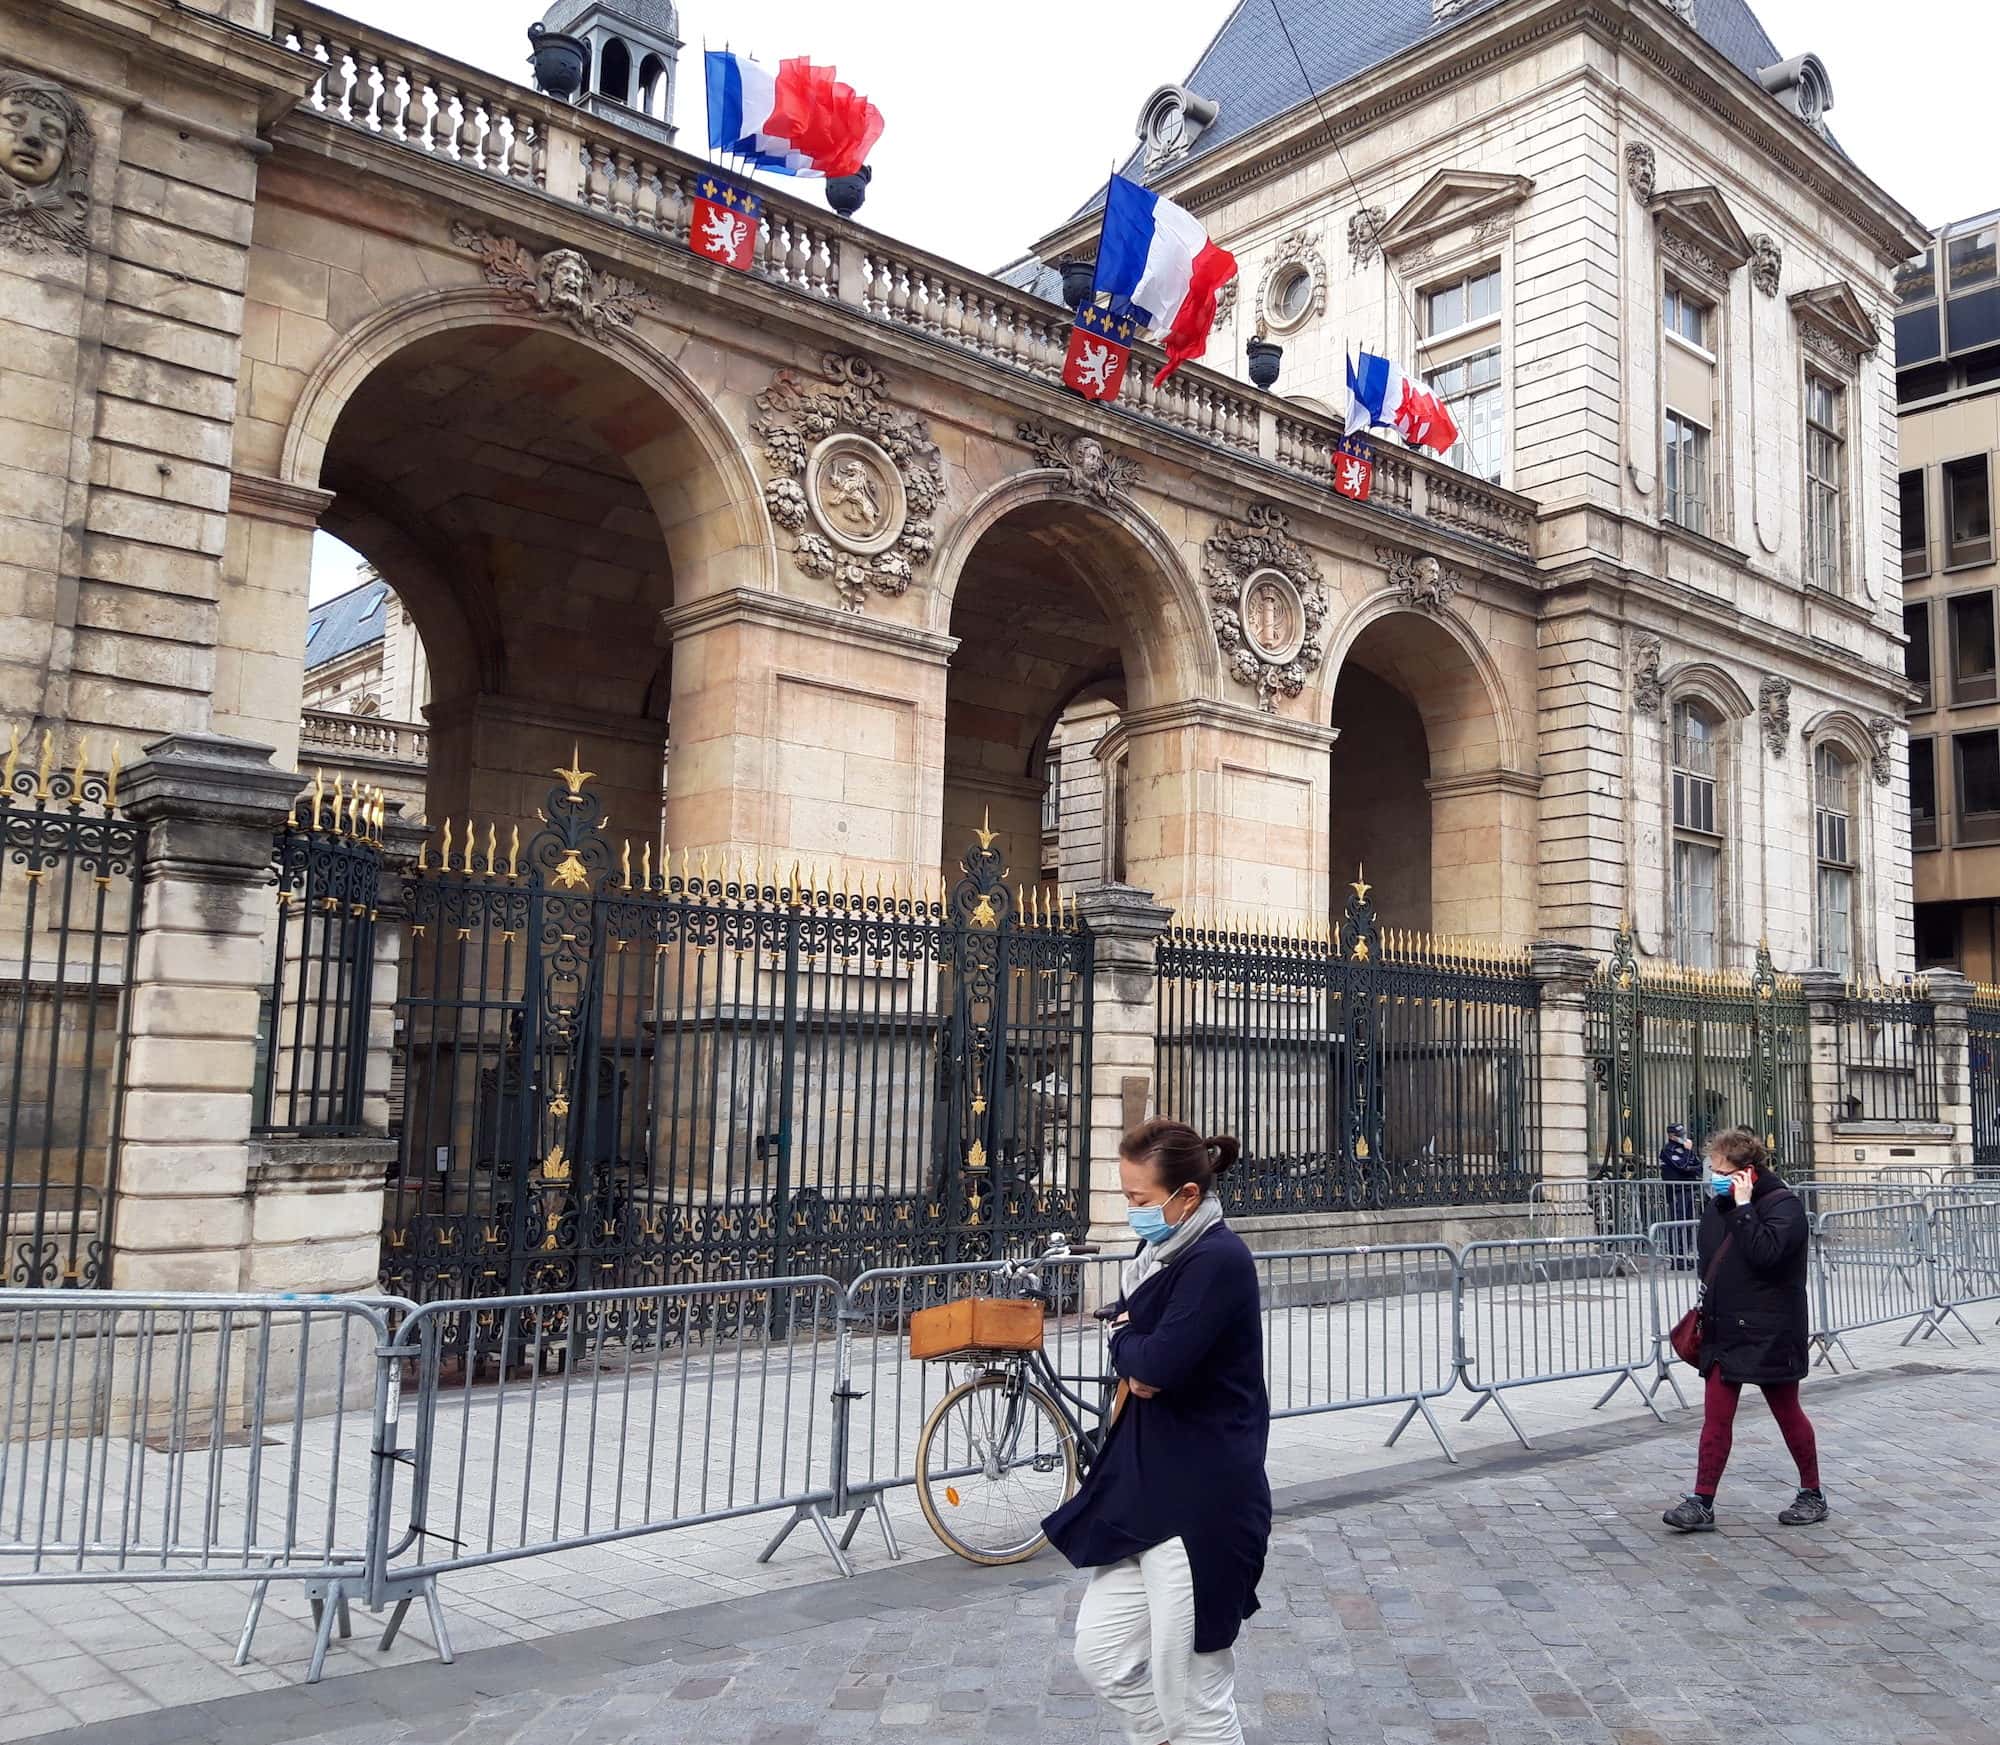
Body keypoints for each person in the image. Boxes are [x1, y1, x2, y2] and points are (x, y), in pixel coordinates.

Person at [1044, 1118, 1270, 1745]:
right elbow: (1145, 1362)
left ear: (1187, 1197)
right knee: (1103, 1654)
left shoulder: (1217, 1260)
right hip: (1144, 1497)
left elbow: (1157, 1364)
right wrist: (1138, 1348)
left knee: (1194, 1693)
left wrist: (1126, 1339)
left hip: (1201, 1506)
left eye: (1141, 1200)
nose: (1131, 1211)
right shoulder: (1157, 1258)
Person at [1661, 1127, 1827, 1533]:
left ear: (1745, 1173)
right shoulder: (1718, 1207)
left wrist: (1743, 1207)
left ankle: (1812, 1492)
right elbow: (1710, 1261)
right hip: (1724, 1328)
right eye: (1711, 1167)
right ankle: (1702, 1500)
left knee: (1787, 1412)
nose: (1712, 1175)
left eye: (1719, 1169)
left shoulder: (1783, 1208)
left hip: (1772, 1329)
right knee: (1716, 1417)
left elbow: (1766, 1254)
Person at [1657, 1122, 1702, 1267]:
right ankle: (1677, 1258)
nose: (1684, 1138)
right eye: (1680, 1136)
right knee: (1677, 1224)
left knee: (1688, 1224)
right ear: (1671, 1136)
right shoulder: (1667, 1150)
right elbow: (1681, 1167)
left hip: (1688, 1190)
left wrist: (1688, 1166)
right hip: (1676, 1192)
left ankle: (1685, 1255)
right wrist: (1688, 1156)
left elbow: (1698, 1167)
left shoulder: (1684, 1148)